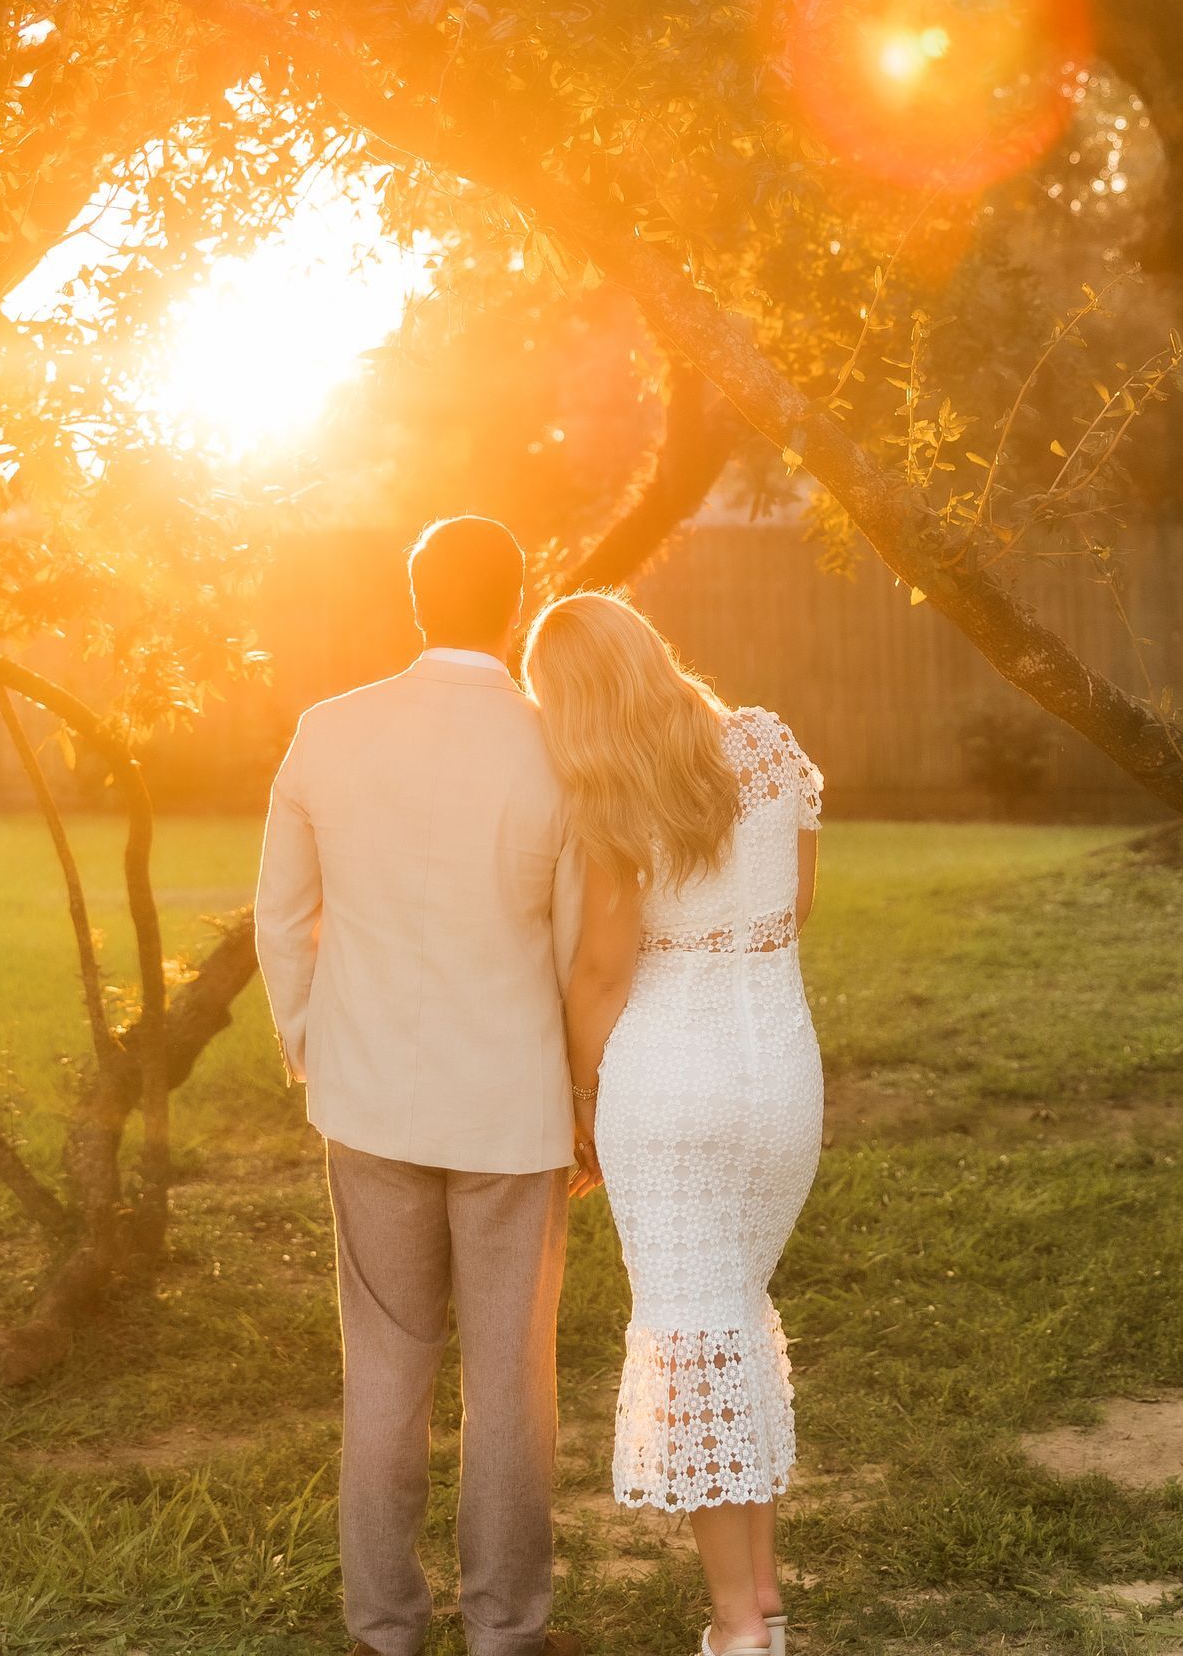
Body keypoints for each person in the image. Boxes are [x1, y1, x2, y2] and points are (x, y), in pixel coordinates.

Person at [255, 516, 582, 1656]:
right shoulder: (559, 748)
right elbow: (581, 951)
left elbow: (282, 917)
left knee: (385, 1364)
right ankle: (507, 1632)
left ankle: (383, 1628)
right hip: (515, 1106)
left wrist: (313, 1045)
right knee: (511, 1378)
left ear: (413, 597)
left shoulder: (329, 732)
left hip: (371, 1097)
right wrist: (586, 1105)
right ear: (518, 595)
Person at [523, 592, 823, 1656]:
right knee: (732, 1318)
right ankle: (766, 1601)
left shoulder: (608, 792)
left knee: (698, 1345)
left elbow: (603, 973)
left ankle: (739, 1625)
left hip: (667, 1082)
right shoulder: (769, 747)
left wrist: (576, 1103)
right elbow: (793, 911)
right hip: (781, 1075)